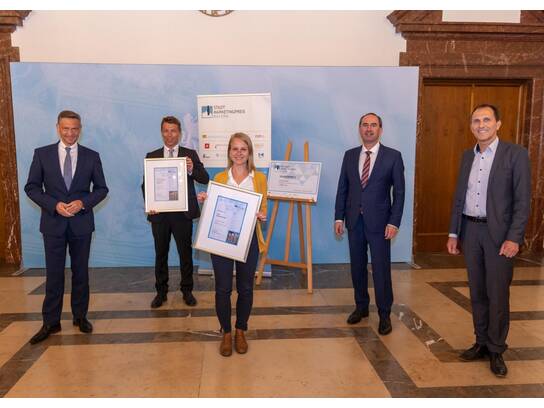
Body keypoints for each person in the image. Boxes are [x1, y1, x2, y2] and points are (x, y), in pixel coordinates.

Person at [447, 104, 531, 378]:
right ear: (471, 126)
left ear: (498, 124)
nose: (481, 125)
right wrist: (453, 232)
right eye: (476, 120)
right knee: (477, 292)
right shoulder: (467, 156)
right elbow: (459, 195)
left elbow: (522, 201)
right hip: (470, 231)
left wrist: (514, 238)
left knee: (497, 294)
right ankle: (481, 342)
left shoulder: (515, 154)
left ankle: (496, 349)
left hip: (500, 236)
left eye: (486, 119)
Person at [24, 110, 109, 344]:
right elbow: (31, 188)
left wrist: (83, 203)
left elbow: (102, 189)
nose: (70, 133)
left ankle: (80, 317)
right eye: (66, 128)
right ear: (58, 128)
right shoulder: (42, 154)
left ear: (80, 129)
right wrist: (54, 205)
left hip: (82, 225)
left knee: (81, 273)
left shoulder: (92, 156)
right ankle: (50, 322)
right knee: (54, 275)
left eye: (75, 129)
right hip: (53, 225)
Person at [334, 113, 405, 335]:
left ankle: (384, 314)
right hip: (354, 222)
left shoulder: (393, 156)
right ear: (360, 129)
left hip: (381, 224)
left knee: (381, 269)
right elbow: (343, 188)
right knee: (357, 267)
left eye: (373, 125)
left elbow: (399, 193)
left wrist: (394, 222)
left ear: (380, 130)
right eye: (365, 125)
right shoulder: (349, 155)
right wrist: (339, 217)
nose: (369, 128)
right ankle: (361, 307)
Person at [197, 132, 267, 356]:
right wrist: (206, 202)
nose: (238, 153)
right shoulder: (219, 178)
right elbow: (214, 211)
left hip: (248, 241)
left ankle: (240, 331)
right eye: (235, 149)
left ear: (249, 153)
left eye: (243, 149)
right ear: (229, 152)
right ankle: (226, 333)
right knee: (223, 288)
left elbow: (263, 208)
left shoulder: (259, 179)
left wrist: (261, 215)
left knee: (246, 288)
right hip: (221, 241)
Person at [142, 116, 209, 308]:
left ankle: (187, 291)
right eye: (166, 130)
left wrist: (191, 169)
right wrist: (150, 203)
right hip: (159, 215)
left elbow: (204, 178)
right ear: (161, 132)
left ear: (179, 133)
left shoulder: (190, 154)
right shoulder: (152, 156)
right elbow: (146, 185)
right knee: (160, 254)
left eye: (173, 131)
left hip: (182, 215)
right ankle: (161, 292)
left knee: (185, 254)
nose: (169, 134)